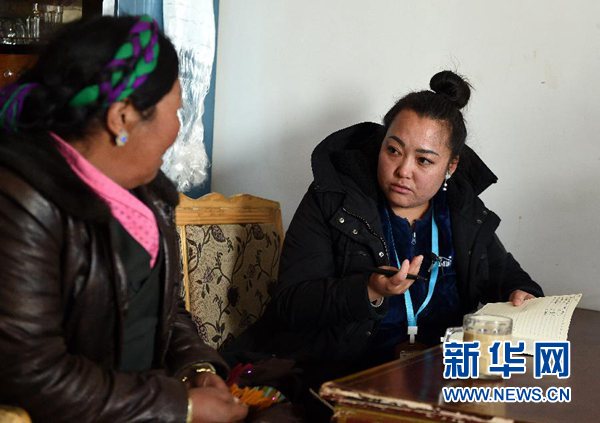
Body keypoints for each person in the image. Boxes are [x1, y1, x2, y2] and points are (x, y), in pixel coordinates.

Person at [224, 70, 544, 396]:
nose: (403, 170)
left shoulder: (463, 214)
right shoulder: (333, 200)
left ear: (450, 167)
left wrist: (522, 293)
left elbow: (511, 278)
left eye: (424, 160)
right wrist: (369, 289)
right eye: (393, 150)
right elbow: (291, 303)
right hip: (338, 378)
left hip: (437, 382)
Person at [0, 15, 247, 422]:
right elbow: (32, 372)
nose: (178, 127)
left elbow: (166, 309)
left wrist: (196, 368)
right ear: (122, 117)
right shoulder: (23, 202)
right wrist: (179, 405)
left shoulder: (147, 194)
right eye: (176, 111)